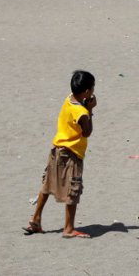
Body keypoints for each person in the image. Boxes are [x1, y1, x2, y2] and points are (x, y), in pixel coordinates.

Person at [24, 70, 97, 238]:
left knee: (47, 183)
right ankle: (69, 228)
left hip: (56, 149)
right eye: (92, 88)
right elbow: (86, 132)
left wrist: (85, 105)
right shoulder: (82, 113)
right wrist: (90, 110)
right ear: (86, 91)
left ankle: (35, 219)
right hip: (72, 153)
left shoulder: (69, 98)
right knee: (73, 188)